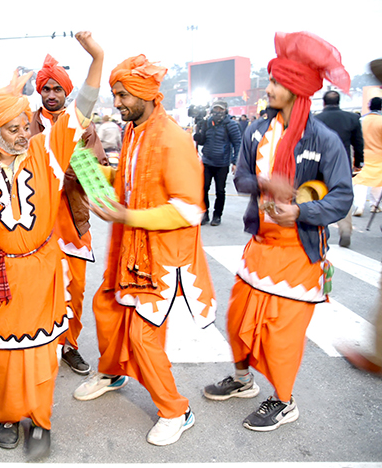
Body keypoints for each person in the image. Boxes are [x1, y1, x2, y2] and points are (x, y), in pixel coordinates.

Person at [0, 32, 102, 459]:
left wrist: (97, 58)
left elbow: (83, 108)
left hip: (42, 270)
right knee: (0, 356)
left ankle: (41, 420)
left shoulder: (46, 153)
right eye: (13, 129)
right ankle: (8, 417)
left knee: (40, 355)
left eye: (23, 126)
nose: (22, 134)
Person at [203, 31, 352, 432]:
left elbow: (342, 198)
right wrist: (267, 183)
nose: (267, 88)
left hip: (301, 254)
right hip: (260, 247)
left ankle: (283, 401)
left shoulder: (324, 140)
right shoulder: (255, 132)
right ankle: (241, 379)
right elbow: (240, 180)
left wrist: (301, 211)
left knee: (282, 338)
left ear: (297, 89)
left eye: (275, 82)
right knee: (237, 321)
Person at [73, 53, 215, 447]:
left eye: (121, 96)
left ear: (146, 95)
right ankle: (113, 372)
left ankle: (176, 410)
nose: (116, 103)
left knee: (143, 337)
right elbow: (130, 179)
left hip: (161, 259)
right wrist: (91, 171)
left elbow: (188, 209)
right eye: (115, 95)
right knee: (108, 309)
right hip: (129, 250)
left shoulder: (174, 139)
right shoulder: (135, 131)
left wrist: (128, 216)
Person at [28, 53, 107, 375]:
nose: (50, 94)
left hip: (72, 222)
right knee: (38, 290)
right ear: (39, 91)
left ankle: (70, 345)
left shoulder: (82, 126)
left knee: (74, 290)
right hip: (35, 223)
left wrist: (70, 169)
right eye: (45, 88)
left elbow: (95, 173)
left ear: (66, 93)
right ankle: (44, 343)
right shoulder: (24, 123)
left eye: (56, 89)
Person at [339, 61, 382, 376]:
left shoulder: (363, 120)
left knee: (356, 198)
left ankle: (378, 356)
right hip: (371, 165)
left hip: (362, 168)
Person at [315, 90, 363, 247]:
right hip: (342, 164)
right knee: (342, 195)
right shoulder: (352, 118)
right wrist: (358, 162)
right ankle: (345, 230)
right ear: (339, 102)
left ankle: (319, 230)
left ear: (323, 103)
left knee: (319, 197)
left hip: (319, 163)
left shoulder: (316, 120)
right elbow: (358, 143)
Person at [193, 101, 242, 226]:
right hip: (207, 161)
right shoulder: (207, 123)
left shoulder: (230, 125)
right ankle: (205, 214)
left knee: (220, 191)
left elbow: (238, 143)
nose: (217, 112)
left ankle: (217, 215)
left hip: (222, 163)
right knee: (203, 189)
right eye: (215, 109)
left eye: (220, 110)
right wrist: (198, 136)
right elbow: (203, 141)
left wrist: (235, 161)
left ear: (225, 111)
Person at [351, 97, 382, 216]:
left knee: (360, 182)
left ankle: (359, 206)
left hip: (362, 155)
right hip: (379, 156)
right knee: (378, 182)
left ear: (369, 106)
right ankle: (375, 205)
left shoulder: (361, 120)